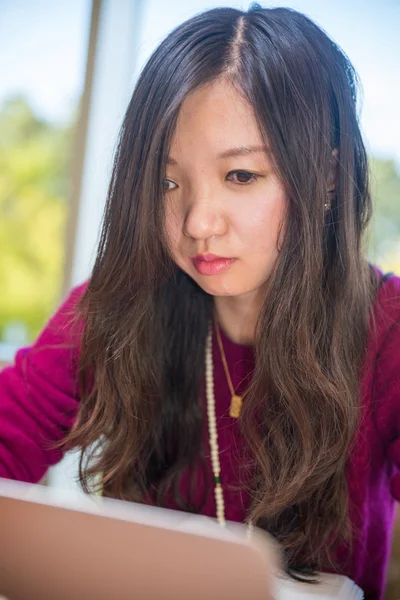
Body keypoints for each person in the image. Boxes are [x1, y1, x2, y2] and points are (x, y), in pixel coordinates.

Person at [0, 4, 399, 599]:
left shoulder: (387, 333)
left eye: (240, 176)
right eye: (168, 181)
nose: (196, 222)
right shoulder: (117, 308)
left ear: (329, 177)